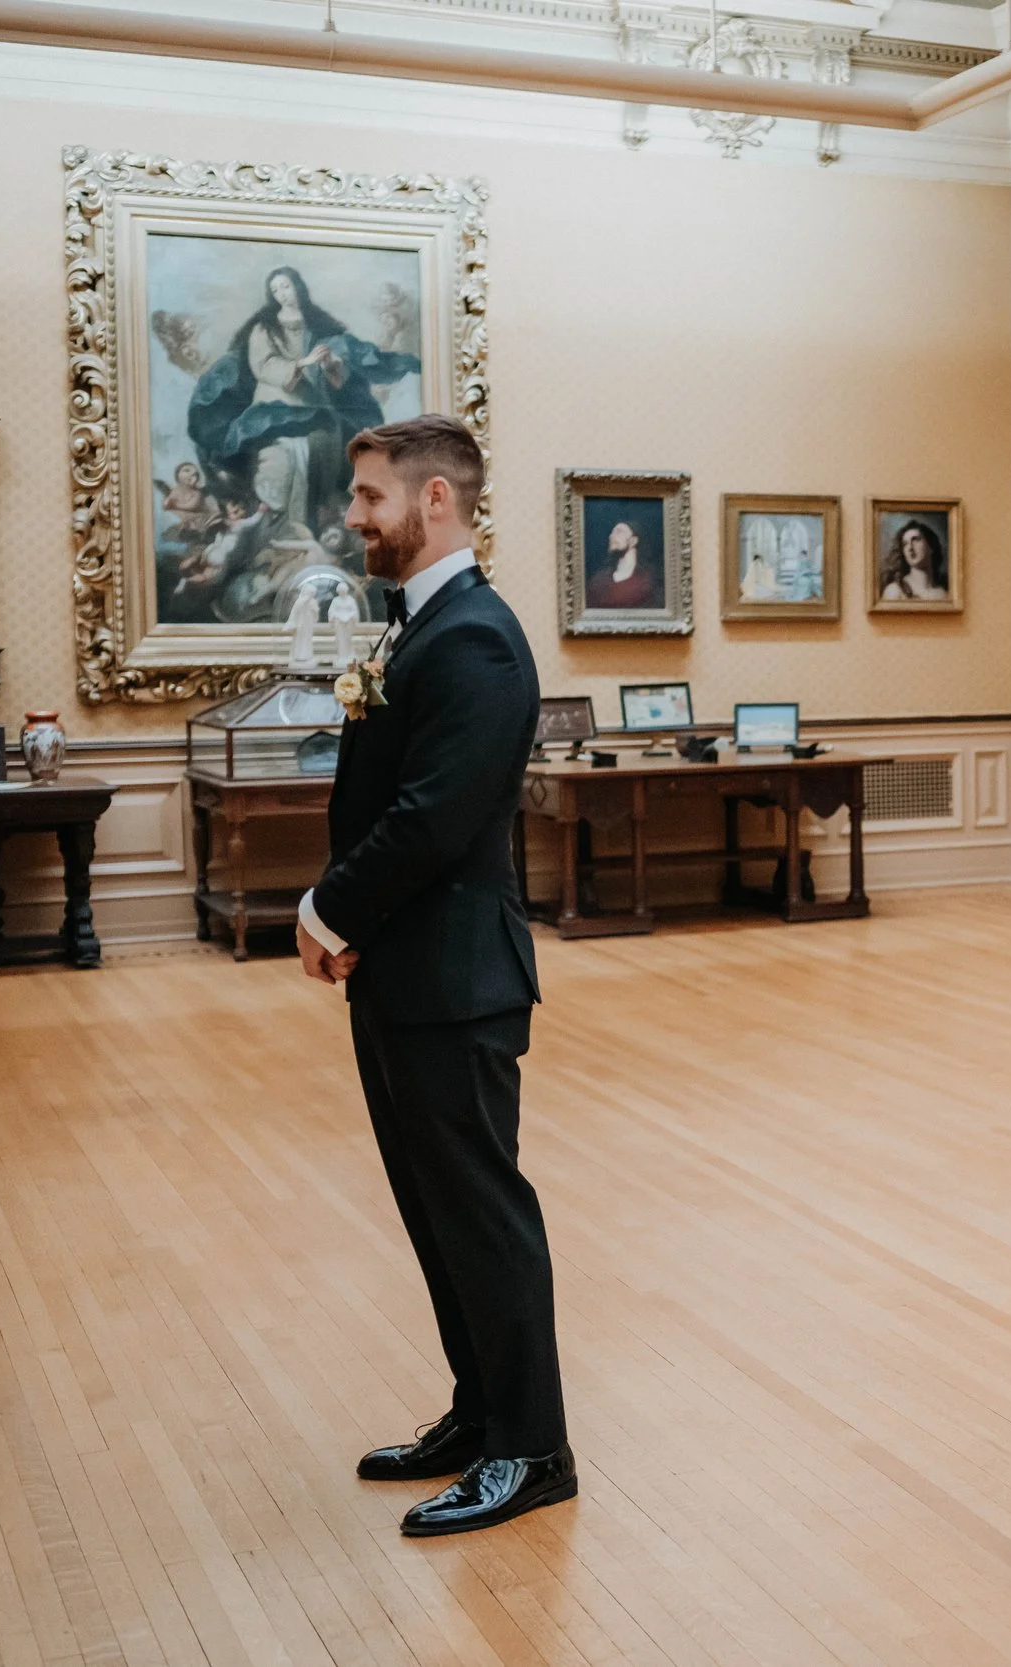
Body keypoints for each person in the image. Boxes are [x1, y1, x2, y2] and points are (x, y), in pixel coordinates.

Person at [295, 413, 573, 1534]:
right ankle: (480, 1411)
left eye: (370, 495)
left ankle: (533, 1447)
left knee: (482, 1212)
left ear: (435, 499)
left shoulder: (477, 639)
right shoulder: (421, 626)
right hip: (404, 974)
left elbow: (433, 818)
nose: (354, 515)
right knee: (432, 1208)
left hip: (457, 982)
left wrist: (326, 907)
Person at [186, 266, 417, 548]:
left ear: (297, 286)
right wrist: (302, 363)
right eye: (275, 290)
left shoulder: (319, 326)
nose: (282, 294)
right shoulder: (264, 327)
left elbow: (338, 376)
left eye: (286, 286)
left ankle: (314, 519)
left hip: (314, 405)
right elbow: (263, 365)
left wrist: (330, 364)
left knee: (324, 443)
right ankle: (280, 528)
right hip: (274, 406)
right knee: (284, 456)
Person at [585, 517, 660, 610]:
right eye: (612, 533)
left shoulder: (649, 580)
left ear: (633, 541)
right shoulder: (599, 581)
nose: (611, 536)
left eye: (619, 532)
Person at [880, 518, 948, 602]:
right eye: (905, 544)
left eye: (915, 540)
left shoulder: (945, 592)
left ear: (931, 546)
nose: (910, 548)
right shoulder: (894, 591)